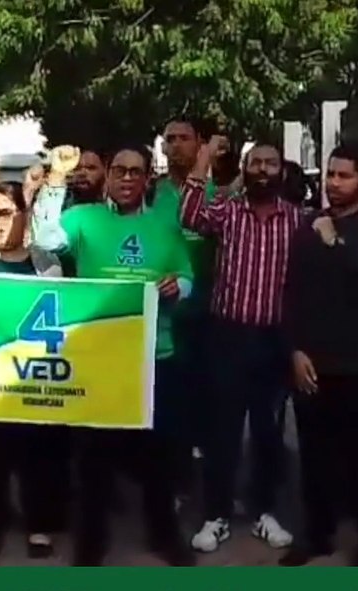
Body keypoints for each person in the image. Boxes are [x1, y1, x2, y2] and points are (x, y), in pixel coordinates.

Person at [32, 144, 195, 567]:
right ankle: (91, 545)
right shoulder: (84, 220)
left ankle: (165, 537)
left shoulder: (165, 226)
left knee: (160, 457)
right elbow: (45, 239)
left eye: (135, 172)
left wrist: (180, 286)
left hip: (154, 356)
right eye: (118, 170)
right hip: (99, 356)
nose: (126, 178)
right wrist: (54, 180)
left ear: (147, 180)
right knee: (92, 460)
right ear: (107, 177)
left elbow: (187, 274)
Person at [281, 145, 358, 567]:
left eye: (344, 176)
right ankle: (317, 534)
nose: (334, 183)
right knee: (315, 459)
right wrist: (295, 349)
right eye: (331, 174)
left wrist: (336, 242)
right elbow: (293, 293)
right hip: (315, 365)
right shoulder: (307, 227)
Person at [180, 137, 301, 553]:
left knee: (269, 431)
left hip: (274, 339)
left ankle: (266, 511)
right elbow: (189, 214)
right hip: (227, 335)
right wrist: (206, 156)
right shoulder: (228, 211)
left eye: (271, 164)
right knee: (222, 431)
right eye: (256, 163)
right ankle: (216, 516)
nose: (263, 170)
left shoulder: (299, 221)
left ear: (282, 172)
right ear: (245, 170)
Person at [0, 182, 70, 564]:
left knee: (39, 455)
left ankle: (39, 524)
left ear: (22, 215)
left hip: (34, 376)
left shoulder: (47, 263)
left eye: (5, 213)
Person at [153, 118, 216, 463]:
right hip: (163, 319)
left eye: (184, 138)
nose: (176, 145)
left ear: (199, 145)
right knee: (168, 403)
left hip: (208, 315)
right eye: (170, 138)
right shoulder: (151, 194)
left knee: (208, 400)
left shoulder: (220, 194)